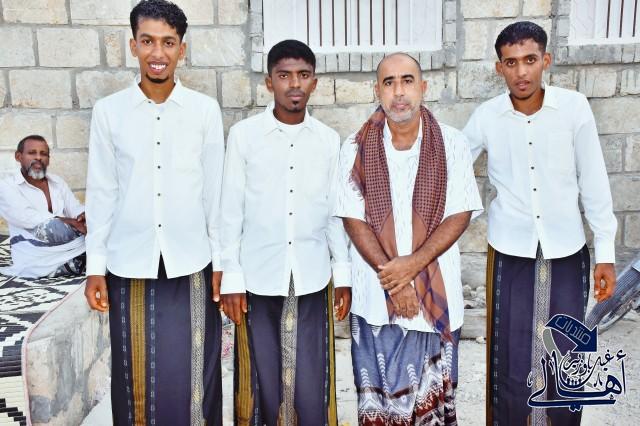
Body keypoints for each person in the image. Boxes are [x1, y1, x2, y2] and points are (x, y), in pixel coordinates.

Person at [463, 21, 618, 426]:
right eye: (511, 62)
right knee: (510, 353)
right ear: (499, 67)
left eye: (530, 60)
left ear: (546, 60)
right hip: (509, 251)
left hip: (567, 249)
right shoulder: (486, 117)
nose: (521, 72)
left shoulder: (574, 108)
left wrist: (605, 252)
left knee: (566, 352)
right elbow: (451, 168)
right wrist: (472, 213)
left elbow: (594, 181)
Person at [83, 1, 225, 424]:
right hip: (129, 262)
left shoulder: (204, 111)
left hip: (192, 259)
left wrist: (222, 262)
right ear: (133, 46)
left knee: (194, 369)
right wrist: (95, 267)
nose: (157, 53)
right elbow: (102, 192)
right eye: (147, 41)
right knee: (135, 373)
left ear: (182, 49)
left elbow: (215, 193)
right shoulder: (109, 113)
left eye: (168, 42)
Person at [334, 52, 483, 425]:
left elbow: (460, 213)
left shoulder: (452, 143)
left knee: (433, 410)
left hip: (435, 296)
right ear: (377, 91)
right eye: (389, 82)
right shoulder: (354, 146)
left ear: (423, 87)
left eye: (407, 81)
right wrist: (397, 282)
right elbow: (353, 219)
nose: (398, 92)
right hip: (374, 299)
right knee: (379, 408)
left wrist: (410, 268)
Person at [215, 39, 351, 426]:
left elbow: (334, 213)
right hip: (258, 274)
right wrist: (232, 276)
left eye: (303, 75)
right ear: (268, 81)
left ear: (315, 83)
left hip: (312, 273)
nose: (294, 84)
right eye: (284, 75)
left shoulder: (328, 140)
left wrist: (342, 273)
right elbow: (231, 210)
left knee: (311, 376)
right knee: (261, 378)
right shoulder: (244, 136)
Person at [0, 135, 86, 278]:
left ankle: (79, 260)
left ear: (48, 159)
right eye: (32, 153)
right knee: (52, 227)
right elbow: (29, 219)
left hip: (72, 247)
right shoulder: (7, 186)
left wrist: (83, 216)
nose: (38, 157)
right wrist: (72, 222)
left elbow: (74, 208)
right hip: (34, 256)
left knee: (98, 221)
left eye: (44, 154)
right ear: (18, 156)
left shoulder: (57, 182)